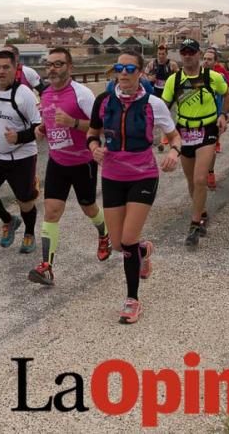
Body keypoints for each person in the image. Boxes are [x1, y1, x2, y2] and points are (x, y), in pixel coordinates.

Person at [87, 51, 181, 324]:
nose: (124, 72)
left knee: (127, 238)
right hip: (113, 176)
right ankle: (143, 251)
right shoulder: (104, 102)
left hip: (143, 175)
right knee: (118, 243)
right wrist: (94, 149)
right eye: (120, 67)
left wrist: (174, 153)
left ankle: (132, 299)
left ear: (140, 72)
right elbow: (92, 135)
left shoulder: (154, 104)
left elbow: (175, 137)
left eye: (130, 68)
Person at [29, 48, 111, 286]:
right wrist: (42, 129)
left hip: (82, 161)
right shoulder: (44, 95)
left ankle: (104, 233)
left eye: (58, 64)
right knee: (52, 211)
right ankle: (46, 267)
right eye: (49, 65)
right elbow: (48, 120)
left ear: (70, 67)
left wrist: (74, 122)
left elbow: (102, 127)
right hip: (57, 161)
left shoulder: (82, 94)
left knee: (88, 207)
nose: (52, 69)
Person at [161, 39, 229, 246]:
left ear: (198, 54)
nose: (188, 55)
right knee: (191, 181)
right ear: (180, 55)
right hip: (184, 132)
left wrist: (224, 115)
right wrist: (164, 130)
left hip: (207, 130)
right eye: (184, 52)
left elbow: (227, 94)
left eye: (192, 51)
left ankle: (194, 224)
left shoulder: (212, 77)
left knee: (200, 179)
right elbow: (164, 106)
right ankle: (202, 211)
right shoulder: (174, 80)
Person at [0, 50, 42, 253]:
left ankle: (29, 233)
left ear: (15, 69)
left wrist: (19, 137)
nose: (1, 71)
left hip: (22, 156)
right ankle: (9, 220)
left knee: (25, 201)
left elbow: (39, 128)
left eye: (6, 67)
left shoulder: (25, 95)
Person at [201, 47, 229, 178]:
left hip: (215, 116)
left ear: (215, 62)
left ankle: (210, 173)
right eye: (204, 59)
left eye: (209, 59)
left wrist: (226, 113)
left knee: (211, 148)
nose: (206, 62)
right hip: (199, 117)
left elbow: (227, 95)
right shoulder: (197, 76)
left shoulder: (219, 78)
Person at [143, 42, 179, 152]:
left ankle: (165, 139)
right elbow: (144, 75)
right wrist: (150, 79)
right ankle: (159, 139)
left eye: (163, 54)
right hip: (156, 91)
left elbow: (179, 76)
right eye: (159, 54)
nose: (161, 56)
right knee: (153, 115)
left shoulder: (172, 64)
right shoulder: (152, 64)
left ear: (166, 54)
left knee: (165, 113)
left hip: (168, 92)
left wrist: (172, 82)